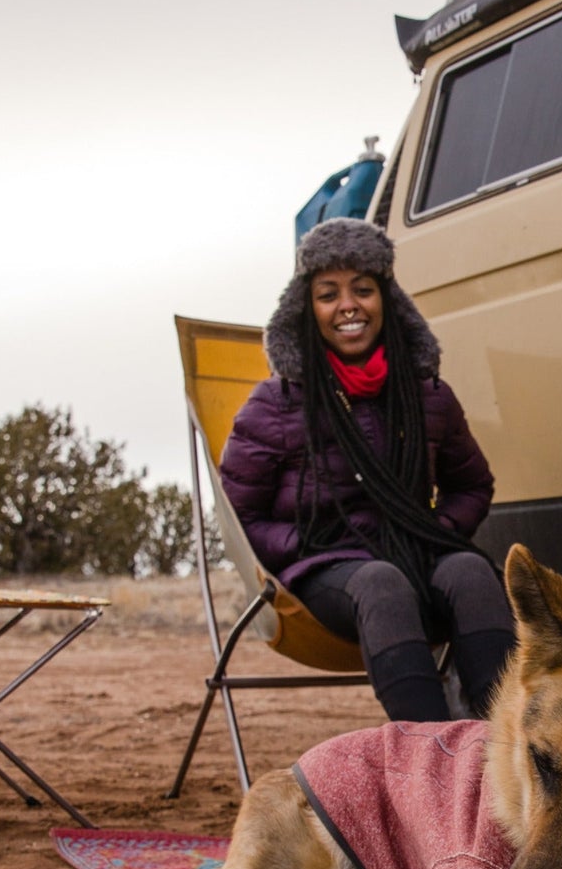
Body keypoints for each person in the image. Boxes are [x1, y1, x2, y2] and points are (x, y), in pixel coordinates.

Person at [220, 218, 514, 722]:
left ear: (387, 300)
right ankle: (433, 759)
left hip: (416, 560)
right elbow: (238, 515)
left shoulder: (426, 394)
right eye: (327, 294)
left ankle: (507, 744)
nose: (348, 305)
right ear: (307, 310)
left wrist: (432, 532)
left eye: (363, 289)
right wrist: (309, 547)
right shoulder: (277, 402)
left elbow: (472, 484)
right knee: (379, 580)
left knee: (470, 570)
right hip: (325, 579)